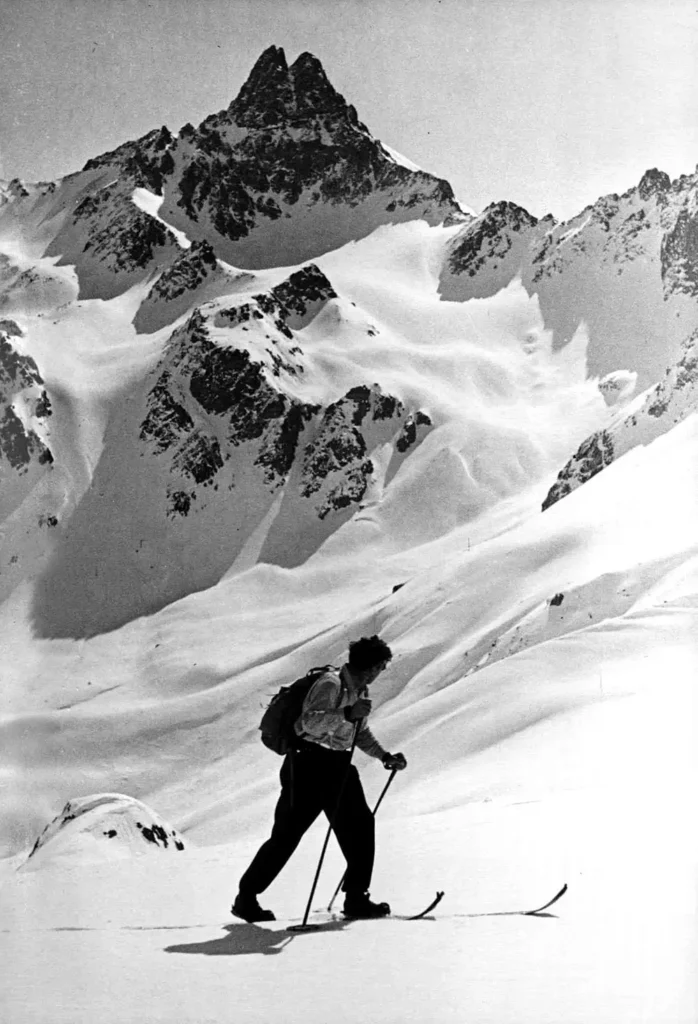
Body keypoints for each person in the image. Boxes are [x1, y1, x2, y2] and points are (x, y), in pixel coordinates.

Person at [232, 635, 407, 922]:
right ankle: (247, 896)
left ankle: (356, 897)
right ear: (372, 666)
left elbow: (358, 732)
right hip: (308, 764)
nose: (382, 671)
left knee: (360, 826)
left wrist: (384, 756)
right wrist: (347, 713)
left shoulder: (358, 691)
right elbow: (307, 724)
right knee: (288, 836)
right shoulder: (332, 684)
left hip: (334, 766)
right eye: (382, 666)